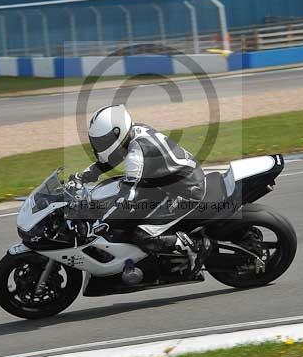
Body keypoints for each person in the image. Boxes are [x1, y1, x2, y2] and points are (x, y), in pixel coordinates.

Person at [71, 104, 211, 276]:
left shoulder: (137, 154)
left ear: (117, 133)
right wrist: (83, 176)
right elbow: (113, 158)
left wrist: (101, 223)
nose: (99, 145)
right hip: (167, 183)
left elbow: (127, 197)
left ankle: (197, 247)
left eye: (102, 141)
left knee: (142, 234)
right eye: (97, 141)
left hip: (186, 191)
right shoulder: (133, 132)